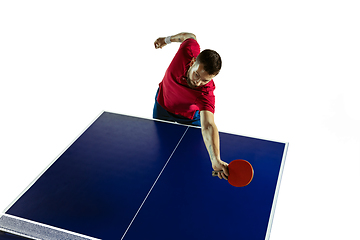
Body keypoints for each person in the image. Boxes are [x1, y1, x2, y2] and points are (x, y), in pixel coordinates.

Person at [153, 32, 229, 180]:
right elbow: (189, 36)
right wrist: (166, 40)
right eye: (197, 75)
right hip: (162, 106)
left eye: (205, 80)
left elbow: (208, 125)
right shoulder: (187, 50)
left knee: (190, 155)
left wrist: (215, 159)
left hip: (188, 118)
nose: (198, 83)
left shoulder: (206, 93)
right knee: (161, 147)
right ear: (193, 61)